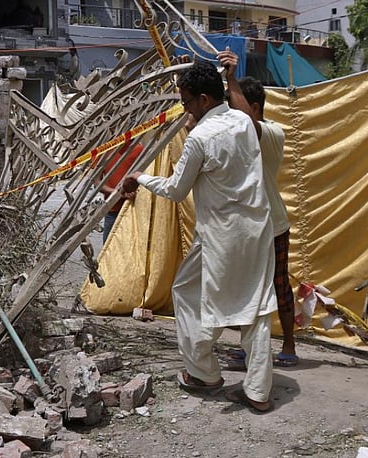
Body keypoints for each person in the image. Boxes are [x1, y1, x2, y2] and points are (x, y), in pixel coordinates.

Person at [121, 59, 277, 413]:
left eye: (188, 102)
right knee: (256, 307)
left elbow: (176, 190)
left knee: (187, 293)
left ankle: (204, 372)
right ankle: (257, 391)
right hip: (256, 228)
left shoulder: (201, 138)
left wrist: (140, 177)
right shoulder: (244, 121)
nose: (185, 110)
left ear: (204, 100)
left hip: (220, 234)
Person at [219, 49, 298, 368]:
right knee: (247, 289)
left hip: (272, 224)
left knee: (279, 287)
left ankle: (289, 346)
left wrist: (231, 79)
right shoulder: (238, 134)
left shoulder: (271, 132)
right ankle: (248, 345)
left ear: (253, 108)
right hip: (245, 226)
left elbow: (250, 126)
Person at [97, 142, 143, 244]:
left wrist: (134, 192)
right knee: (108, 249)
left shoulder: (139, 149)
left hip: (135, 208)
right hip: (113, 209)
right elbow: (97, 182)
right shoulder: (102, 151)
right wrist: (117, 193)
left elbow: (145, 176)